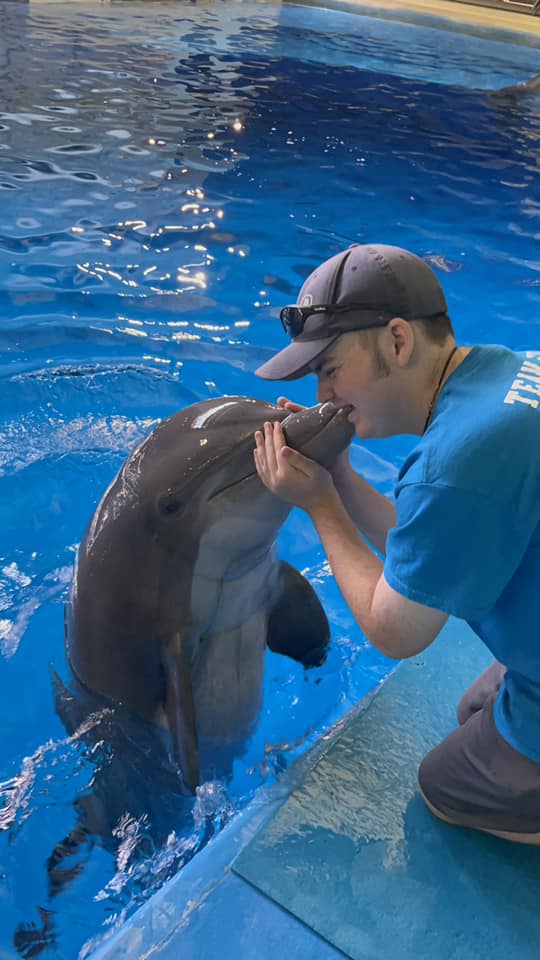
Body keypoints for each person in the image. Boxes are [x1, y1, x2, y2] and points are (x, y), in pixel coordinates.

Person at [252, 243, 540, 845]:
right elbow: (430, 550)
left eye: (330, 370)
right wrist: (342, 478)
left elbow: (395, 631)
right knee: (473, 712)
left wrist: (321, 506)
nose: (323, 397)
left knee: (445, 786)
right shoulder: (504, 374)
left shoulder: (454, 463)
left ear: (398, 342)